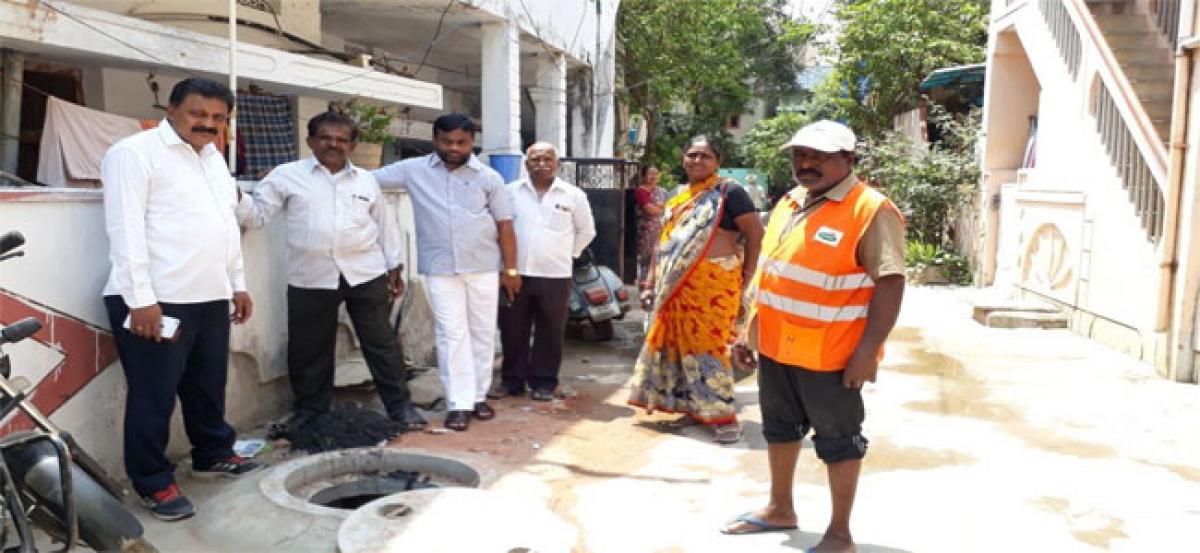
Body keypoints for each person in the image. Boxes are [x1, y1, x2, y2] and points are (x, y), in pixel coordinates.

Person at [720, 120, 906, 553]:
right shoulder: (790, 201)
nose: (807, 164)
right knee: (780, 428)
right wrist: (750, 334)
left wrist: (866, 353)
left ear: (849, 160)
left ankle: (840, 534)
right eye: (801, 155)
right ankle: (779, 507)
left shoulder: (870, 209)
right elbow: (771, 274)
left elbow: (891, 283)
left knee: (839, 441)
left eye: (819, 157)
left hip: (832, 355)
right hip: (779, 346)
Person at [101, 78, 259, 521]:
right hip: (157, 300)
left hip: (210, 296)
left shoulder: (213, 159)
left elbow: (227, 227)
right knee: (154, 395)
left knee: (207, 387)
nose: (208, 125)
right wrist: (140, 301)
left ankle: (213, 452)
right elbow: (124, 229)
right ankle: (153, 481)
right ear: (171, 109)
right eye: (198, 114)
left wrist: (238, 284)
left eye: (218, 118)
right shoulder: (134, 154)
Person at [235, 111, 426, 435]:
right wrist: (232, 193)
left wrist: (394, 266)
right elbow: (258, 217)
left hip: (365, 273)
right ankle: (311, 411)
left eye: (341, 139)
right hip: (310, 276)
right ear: (311, 141)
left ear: (352, 145)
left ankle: (400, 406)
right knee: (309, 348)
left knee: (381, 343)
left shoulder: (366, 180)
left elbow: (385, 225)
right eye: (325, 137)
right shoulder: (285, 176)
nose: (333, 144)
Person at [373, 114, 518, 432]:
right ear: (435, 139)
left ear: (471, 142)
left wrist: (510, 269)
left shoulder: (489, 178)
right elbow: (367, 180)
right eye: (446, 141)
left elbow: (505, 226)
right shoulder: (412, 170)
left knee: (481, 332)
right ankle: (458, 403)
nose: (453, 148)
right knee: (451, 335)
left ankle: (478, 395)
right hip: (440, 268)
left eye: (461, 142)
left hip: (483, 266)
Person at [627, 135, 765, 444]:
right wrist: (650, 283)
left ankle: (723, 416)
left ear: (717, 161)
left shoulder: (730, 193)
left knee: (709, 349)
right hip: (676, 287)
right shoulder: (679, 198)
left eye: (705, 156)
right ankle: (693, 407)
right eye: (692, 154)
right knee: (680, 348)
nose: (697, 160)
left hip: (714, 286)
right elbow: (664, 244)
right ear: (683, 159)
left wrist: (747, 276)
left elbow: (755, 235)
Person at [490, 142, 596, 401]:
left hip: (556, 275)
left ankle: (544, 383)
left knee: (550, 330)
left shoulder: (573, 195)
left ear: (557, 164)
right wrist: (505, 267)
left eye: (548, 159)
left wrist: (567, 255)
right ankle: (511, 381)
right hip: (515, 274)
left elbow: (587, 231)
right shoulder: (509, 192)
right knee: (513, 329)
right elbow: (497, 229)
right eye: (535, 159)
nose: (541, 164)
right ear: (526, 164)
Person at [632, 164, 668, 292]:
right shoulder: (641, 191)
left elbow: (671, 208)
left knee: (661, 258)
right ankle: (644, 289)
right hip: (646, 231)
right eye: (650, 174)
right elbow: (649, 209)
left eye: (656, 173)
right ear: (644, 176)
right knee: (646, 260)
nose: (653, 176)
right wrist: (662, 208)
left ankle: (657, 289)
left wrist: (661, 208)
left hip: (663, 229)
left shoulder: (663, 191)